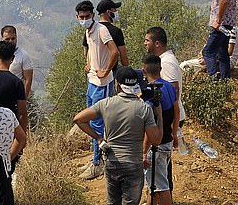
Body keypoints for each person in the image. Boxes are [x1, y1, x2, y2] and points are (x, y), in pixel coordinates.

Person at [73, 66, 162, 205]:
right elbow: (156, 140)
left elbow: (78, 119)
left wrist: (98, 138)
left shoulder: (106, 104)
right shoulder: (144, 108)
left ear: (117, 84)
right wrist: (159, 115)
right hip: (133, 163)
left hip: (112, 162)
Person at [77, 0, 119, 180]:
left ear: (93, 15)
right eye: (81, 17)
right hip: (92, 81)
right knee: (92, 121)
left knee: (97, 123)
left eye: (87, 16)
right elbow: (91, 52)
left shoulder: (102, 30)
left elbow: (115, 52)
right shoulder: (88, 32)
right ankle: (97, 158)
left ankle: (97, 162)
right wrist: (89, 64)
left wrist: (107, 70)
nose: (84, 19)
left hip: (102, 83)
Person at [142, 54, 179, 205]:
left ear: (143, 71)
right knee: (154, 186)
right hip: (167, 141)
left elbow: (149, 127)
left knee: (162, 187)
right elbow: (176, 111)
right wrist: (174, 134)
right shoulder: (169, 87)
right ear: (161, 69)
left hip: (155, 146)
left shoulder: (150, 93)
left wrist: (144, 151)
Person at [143, 26, 187, 135]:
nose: (145, 43)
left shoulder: (166, 62)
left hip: (168, 118)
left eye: (147, 40)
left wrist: (170, 120)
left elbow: (174, 89)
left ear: (157, 43)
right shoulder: (163, 60)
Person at [0, 40, 29, 130]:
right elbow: (22, 113)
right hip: (8, 128)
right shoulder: (16, 82)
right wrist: (22, 135)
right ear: (12, 58)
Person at [85, 0, 129, 67]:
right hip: (111, 72)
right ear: (109, 12)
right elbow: (124, 57)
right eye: (114, 10)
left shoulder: (90, 30)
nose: (116, 12)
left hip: (94, 71)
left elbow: (86, 52)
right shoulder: (116, 31)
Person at [0, 26, 34, 98]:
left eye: (13, 39)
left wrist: (23, 99)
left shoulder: (24, 56)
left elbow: (28, 80)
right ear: (2, 39)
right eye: (7, 39)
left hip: (15, 96)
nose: (10, 41)